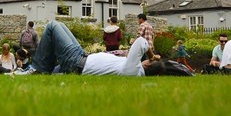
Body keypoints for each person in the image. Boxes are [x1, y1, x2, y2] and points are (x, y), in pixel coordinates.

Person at [15, 20, 160, 76]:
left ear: (148, 66)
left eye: (150, 63)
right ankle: (43, 69)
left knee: (53, 26)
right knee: (61, 25)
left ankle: (38, 70)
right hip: (82, 56)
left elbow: (141, 41)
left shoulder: (135, 70)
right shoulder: (134, 68)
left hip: (76, 62)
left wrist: (151, 56)